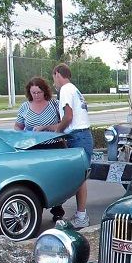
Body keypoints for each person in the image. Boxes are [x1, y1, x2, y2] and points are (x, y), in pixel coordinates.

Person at [40, 63, 92, 228]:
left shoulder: (65, 90)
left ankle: (82, 216)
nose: (53, 82)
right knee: (79, 177)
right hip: (82, 135)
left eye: (53, 77)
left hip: (77, 137)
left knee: (80, 178)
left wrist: (58, 132)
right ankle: (80, 214)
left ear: (57, 74)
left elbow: (68, 117)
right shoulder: (74, 89)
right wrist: (47, 128)